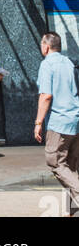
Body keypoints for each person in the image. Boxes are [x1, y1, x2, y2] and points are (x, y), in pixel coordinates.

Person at [34, 30, 79, 213]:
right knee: (71, 165)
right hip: (75, 119)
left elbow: (45, 96)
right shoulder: (68, 62)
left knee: (55, 162)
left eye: (41, 44)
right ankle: (70, 210)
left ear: (46, 46)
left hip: (59, 122)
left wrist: (38, 123)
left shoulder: (47, 65)